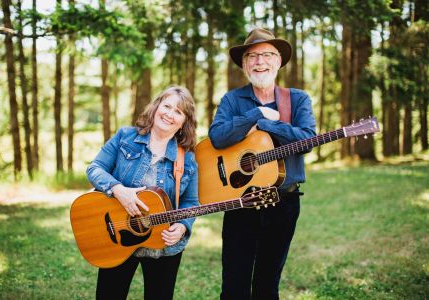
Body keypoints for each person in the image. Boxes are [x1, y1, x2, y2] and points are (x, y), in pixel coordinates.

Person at [208, 28, 316, 300]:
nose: (260, 62)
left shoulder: (297, 99)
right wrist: (253, 115)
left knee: (268, 285)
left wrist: (267, 123)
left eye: (267, 54)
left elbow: (307, 140)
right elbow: (218, 138)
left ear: (278, 61)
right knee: (234, 284)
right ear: (244, 64)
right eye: (252, 56)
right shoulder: (232, 100)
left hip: (283, 203)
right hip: (240, 201)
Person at [86, 86, 198, 300]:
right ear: (156, 107)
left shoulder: (188, 158)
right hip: (117, 236)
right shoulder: (125, 137)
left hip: (162, 245)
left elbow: (191, 201)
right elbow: (94, 168)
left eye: (178, 112)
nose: (169, 114)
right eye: (167, 106)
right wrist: (118, 190)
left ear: (185, 121)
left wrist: (184, 225)